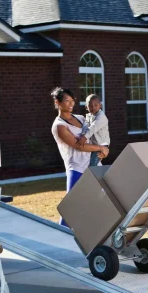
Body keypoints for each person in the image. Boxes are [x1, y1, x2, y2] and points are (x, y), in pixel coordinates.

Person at [51, 87, 109, 226]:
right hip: (76, 168)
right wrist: (100, 148)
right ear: (57, 102)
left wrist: (104, 148)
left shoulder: (81, 118)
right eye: (66, 101)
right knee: (71, 206)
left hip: (93, 165)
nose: (71, 104)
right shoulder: (59, 126)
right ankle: (61, 237)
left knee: (100, 201)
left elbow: (95, 134)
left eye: (72, 101)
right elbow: (79, 146)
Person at [76, 94, 110, 167]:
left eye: (96, 105)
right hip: (94, 144)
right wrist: (82, 134)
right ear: (86, 107)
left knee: (93, 164)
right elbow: (86, 126)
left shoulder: (101, 117)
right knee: (92, 161)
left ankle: (93, 175)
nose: (93, 107)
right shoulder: (88, 116)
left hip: (102, 144)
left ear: (100, 106)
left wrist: (84, 137)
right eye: (90, 105)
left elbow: (93, 127)